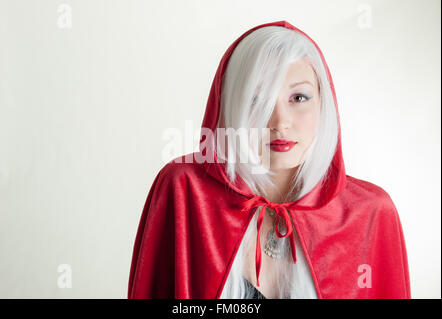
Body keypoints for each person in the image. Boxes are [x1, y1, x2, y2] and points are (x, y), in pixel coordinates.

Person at [127, 20, 411, 299]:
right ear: (229, 105)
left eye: (299, 98)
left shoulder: (371, 212)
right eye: (256, 99)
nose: (280, 122)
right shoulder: (184, 191)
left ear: (325, 105)